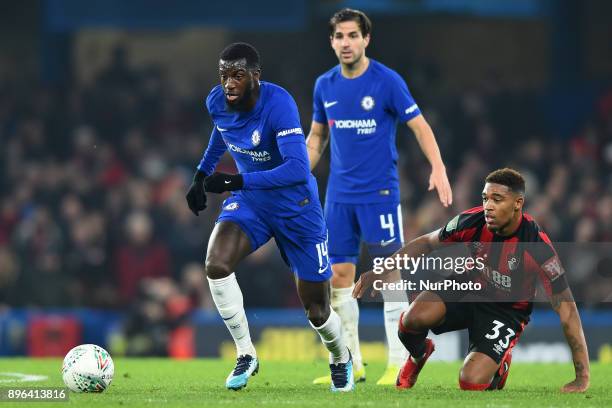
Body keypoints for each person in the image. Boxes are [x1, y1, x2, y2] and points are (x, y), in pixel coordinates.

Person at [186, 42, 355, 392]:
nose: (228, 83)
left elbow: (296, 169)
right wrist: (201, 174)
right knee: (216, 265)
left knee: (318, 312)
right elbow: (222, 130)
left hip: (297, 207)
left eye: (237, 75)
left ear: (255, 77)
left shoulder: (279, 105)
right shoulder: (216, 101)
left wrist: (234, 179)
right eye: (223, 75)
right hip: (252, 202)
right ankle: (246, 353)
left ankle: (340, 357)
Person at [306, 8, 452, 385]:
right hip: (338, 197)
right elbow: (318, 138)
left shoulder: (387, 81)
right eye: (339, 36)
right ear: (331, 41)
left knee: (389, 275)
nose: (346, 43)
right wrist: (297, 173)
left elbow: (419, 126)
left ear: (366, 39)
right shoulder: (324, 85)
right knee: (339, 276)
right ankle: (350, 363)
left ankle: (398, 362)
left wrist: (437, 166)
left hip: (379, 194)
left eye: (353, 35)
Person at [354, 168, 590, 392]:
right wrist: (381, 270)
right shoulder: (472, 221)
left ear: (518, 203)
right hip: (466, 287)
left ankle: (500, 365)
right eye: (485, 198)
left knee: (471, 382)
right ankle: (418, 355)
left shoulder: (538, 246)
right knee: (411, 321)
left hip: (505, 311)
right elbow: (427, 243)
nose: (488, 206)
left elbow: (567, 310)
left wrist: (582, 377)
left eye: (497, 199)